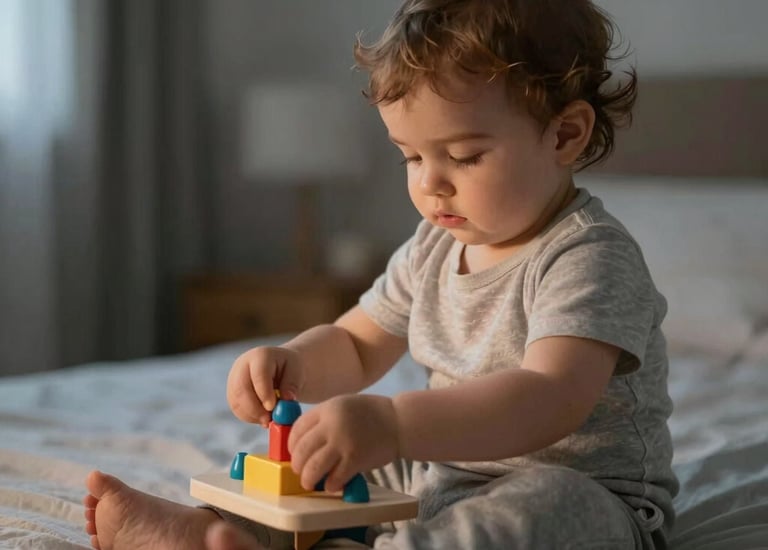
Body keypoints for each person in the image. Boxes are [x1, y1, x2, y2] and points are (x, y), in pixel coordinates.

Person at [83, 1, 679, 548]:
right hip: (438, 475)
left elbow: (548, 399)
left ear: (564, 134)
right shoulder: (432, 247)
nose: (430, 183)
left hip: (589, 500)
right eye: (413, 156)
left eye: (465, 156)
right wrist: (293, 363)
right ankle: (211, 531)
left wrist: (393, 423)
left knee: (548, 505)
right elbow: (355, 344)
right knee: (322, 464)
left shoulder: (590, 257)